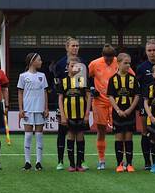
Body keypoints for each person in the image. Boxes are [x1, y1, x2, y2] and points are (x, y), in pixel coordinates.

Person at [50, 37, 84, 169]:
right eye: (73, 46)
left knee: (79, 132)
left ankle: (81, 161)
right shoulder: (60, 64)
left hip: (78, 104)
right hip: (64, 103)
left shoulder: (82, 62)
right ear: (67, 48)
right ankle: (60, 160)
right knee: (62, 131)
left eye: (77, 46)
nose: (75, 48)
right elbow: (57, 84)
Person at [55, 59, 90, 172]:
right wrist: (63, 116)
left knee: (80, 137)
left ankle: (79, 164)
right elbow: (60, 99)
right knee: (70, 136)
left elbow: (88, 98)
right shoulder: (63, 81)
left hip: (81, 115)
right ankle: (71, 164)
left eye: (77, 66)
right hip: (68, 115)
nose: (74, 67)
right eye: (72, 65)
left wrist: (87, 114)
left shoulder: (82, 80)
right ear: (67, 67)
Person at [87, 44, 118, 170]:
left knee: (119, 131)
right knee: (101, 130)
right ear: (102, 56)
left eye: (111, 58)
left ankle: (121, 160)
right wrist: (92, 89)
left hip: (116, 102)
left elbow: (130, 76)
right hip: (99, 101)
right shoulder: (94, 64)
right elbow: (86, 78)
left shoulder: (119, 62)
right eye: (107, 58)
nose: (109, 61)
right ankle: (101, 160)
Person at [107, 52, 139, 172]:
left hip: (129, 113)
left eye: (129, 63)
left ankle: (129, 163)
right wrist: (118, 110)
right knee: (119, 138)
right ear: (118, 63)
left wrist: (130, 109)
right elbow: (110, 96)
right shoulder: (113, 79)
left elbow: (136, 96)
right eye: (125, 63)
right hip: (118, 113)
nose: (128, 66)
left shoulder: (133, 79)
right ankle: (120, 164)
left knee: (129, 138)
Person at [16, 52, 48, 171]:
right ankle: (28, 162)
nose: (41, 62)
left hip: (39, 109)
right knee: (28, 135)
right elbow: (20, 93)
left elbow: (45, 92)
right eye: (39, 60)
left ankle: (39, 162)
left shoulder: (42, 76)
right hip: (28, 109)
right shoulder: (23, 76)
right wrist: (21, 109)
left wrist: (46, 108)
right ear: (32, 61)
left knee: (39, 136)